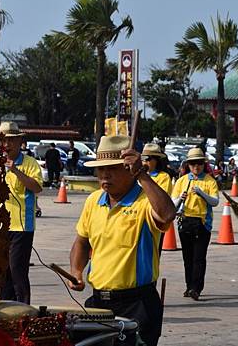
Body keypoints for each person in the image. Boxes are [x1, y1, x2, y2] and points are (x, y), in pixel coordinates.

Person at [69, 135, 176, 346]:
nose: (105, 175)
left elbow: (167, 214)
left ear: (129, 168)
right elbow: (82, 242)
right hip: (98, 303)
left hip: (138, 304)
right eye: (101, 169)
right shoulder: (93, 201)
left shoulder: (145, 201)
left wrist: (142, 175)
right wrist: (76, 271)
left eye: (113, 169)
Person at [0, 122, 43, 304]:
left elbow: (37, 187)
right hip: (0, 225)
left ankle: (23, 308)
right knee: (3, 272)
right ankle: (4, 309)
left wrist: (15, 171)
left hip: (22, 226)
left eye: (11, 141)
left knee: (17, 269)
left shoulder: (29, 163)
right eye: (3, 141)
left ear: (19, 142)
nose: (7, 145)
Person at [171, 148, 219, 301]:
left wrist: (202, 194)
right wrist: (180, 198)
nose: (196, 167)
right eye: (192, 164)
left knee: (199, 257)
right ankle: (189, 286)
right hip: (185, 222)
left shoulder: (209, 181)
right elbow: (173, 204)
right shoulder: (182, 181)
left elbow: (215, 201)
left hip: (202, 223)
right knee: (188, 257)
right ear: (188, 165)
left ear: (204, 165)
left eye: (199, 163)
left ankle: (196, 288)